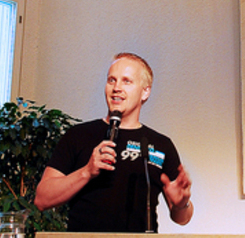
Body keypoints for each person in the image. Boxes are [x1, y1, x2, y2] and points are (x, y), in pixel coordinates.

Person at [35, 52, 193, 232]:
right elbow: (42, 199)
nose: (116, 87)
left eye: (127, 81)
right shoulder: (78, 135)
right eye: (111, 80)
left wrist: (182, 204)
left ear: (145, 92)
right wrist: (86, 172)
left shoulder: (161, 144)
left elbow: (182, 219)